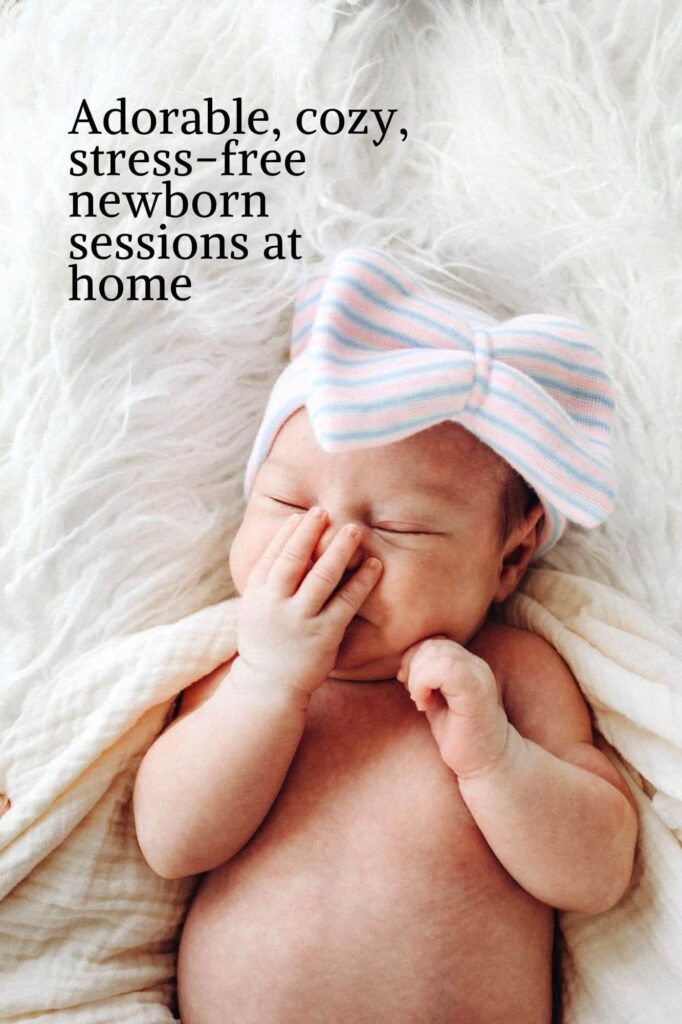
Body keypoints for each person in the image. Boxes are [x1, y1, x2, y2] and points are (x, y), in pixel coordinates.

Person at [133, 247, 638, 1024]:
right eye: (288, 504)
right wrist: (269, 683)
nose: (331, 550)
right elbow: (171, 843)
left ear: (508, 560)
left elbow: (598, 872)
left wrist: (497, 758)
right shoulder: (236, 671)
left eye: (400, 526)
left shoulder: (510, 672)